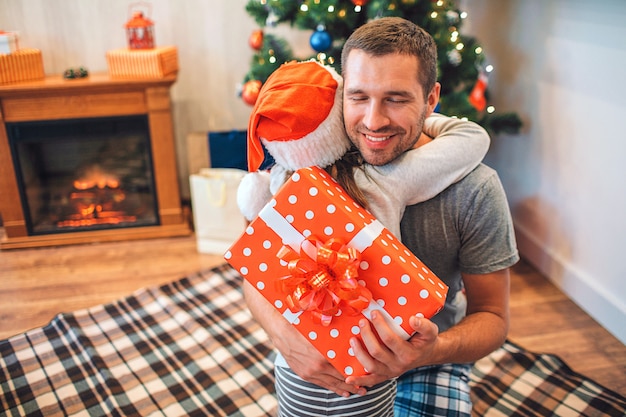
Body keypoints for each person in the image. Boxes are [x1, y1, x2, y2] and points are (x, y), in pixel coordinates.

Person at [237, 60, 491, 417]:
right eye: (359, 98)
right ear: (342, 106)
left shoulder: (281, 188)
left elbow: (254, 259)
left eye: (396, 99)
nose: (374, 121)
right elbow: (473, 138)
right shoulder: (382, 178)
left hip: (373, 357)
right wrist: (283, 334)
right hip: (361, 358)